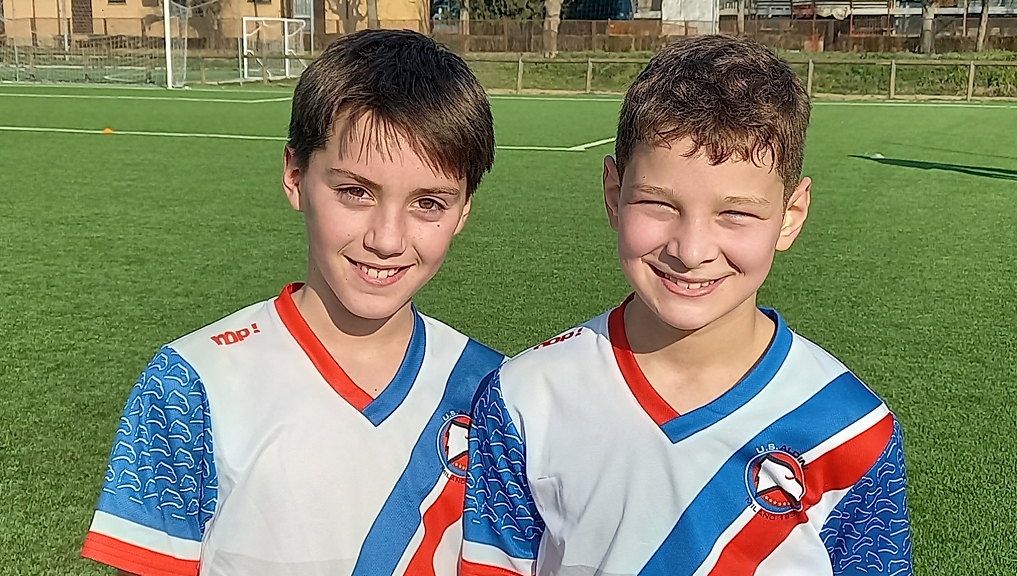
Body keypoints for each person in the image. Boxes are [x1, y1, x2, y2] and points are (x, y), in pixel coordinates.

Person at [461, 35, 912, 576]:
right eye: (658, 204)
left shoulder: (850, 428)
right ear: (613, 195)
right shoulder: (525, 396)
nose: (691, 250)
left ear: (791, 215)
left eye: (736, 213)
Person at [82, 29, 503, 576]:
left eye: (428, 203)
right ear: (295, 176)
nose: (387, 239)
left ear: (463, 210)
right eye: (355, 192)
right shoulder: (194, 380)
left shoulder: (497, 392)